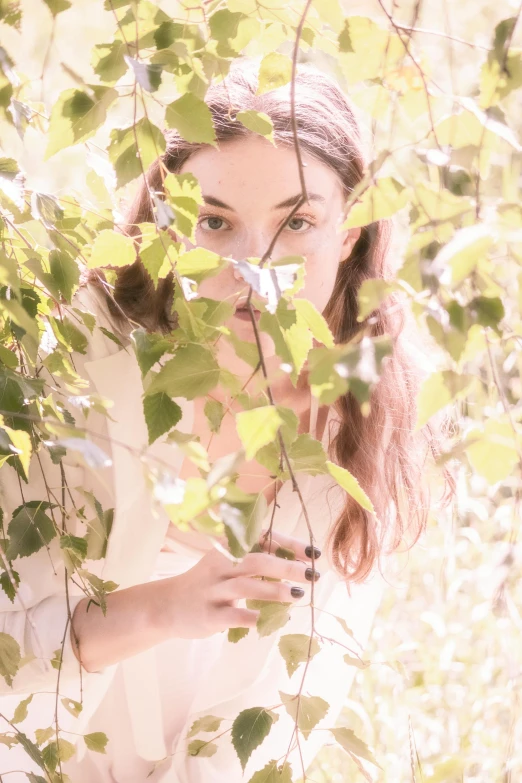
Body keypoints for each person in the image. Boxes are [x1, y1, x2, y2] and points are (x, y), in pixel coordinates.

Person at [0, 57, 445, 781]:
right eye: (214, 221)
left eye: (296, 221)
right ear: (168, 224)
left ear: (350, 232)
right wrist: (164, 606)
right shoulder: (75, 364)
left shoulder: (371, 407)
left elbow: (284, 705)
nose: (253, 265)